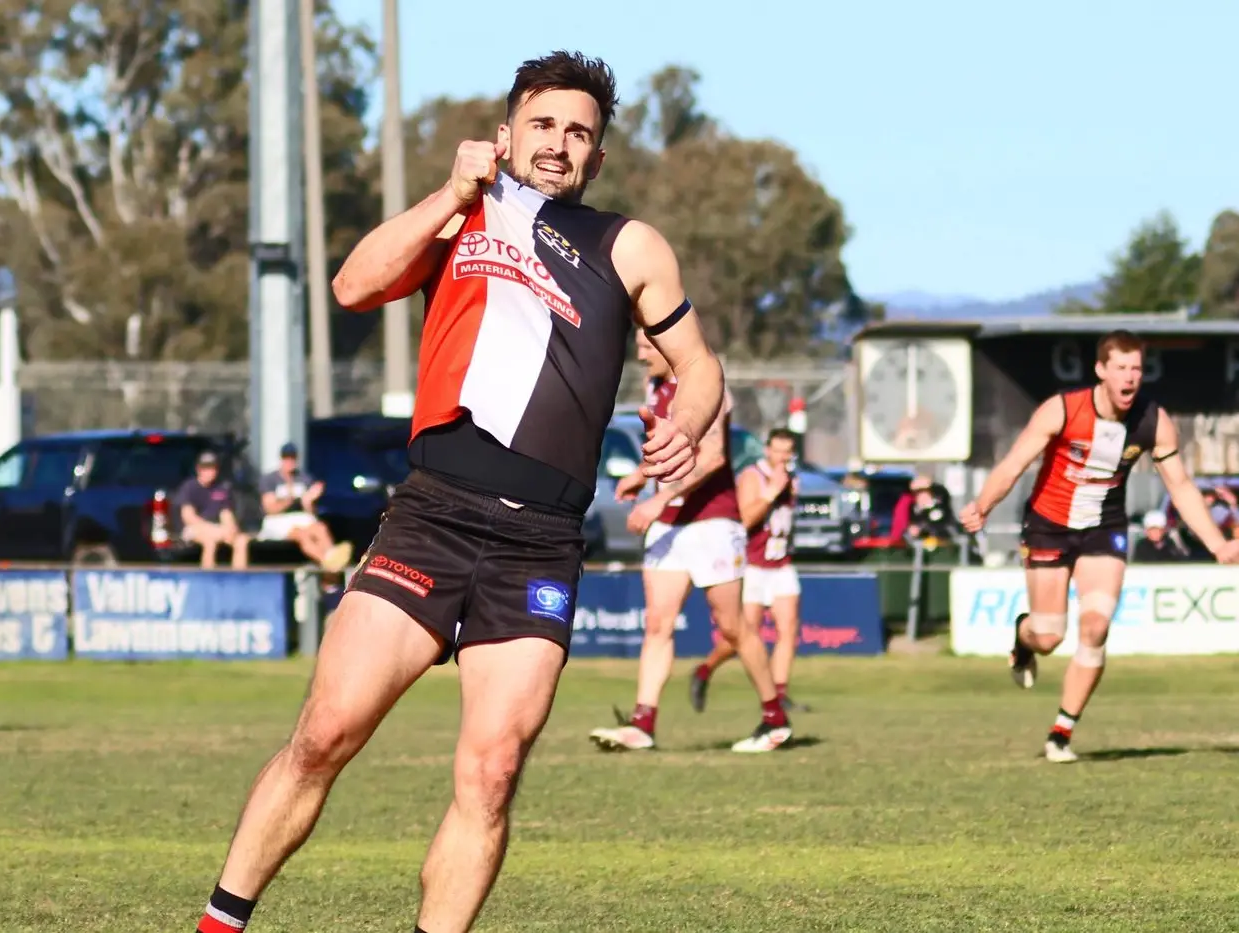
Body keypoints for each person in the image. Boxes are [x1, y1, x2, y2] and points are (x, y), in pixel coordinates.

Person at [193, 51, 724, 933]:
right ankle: (219, 924)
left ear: (598, 157)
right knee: (326, 733)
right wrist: (448, 193)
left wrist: (687, 424)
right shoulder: (461, 216)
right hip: (432, 514)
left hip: (541, 543)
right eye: (544, 124)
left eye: (580, 133)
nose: (559, 144)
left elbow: (701, 370)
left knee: (491, 771)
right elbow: (353, 285)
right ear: (508, 130)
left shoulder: (628, 244)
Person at [959, 330, 1239, 763]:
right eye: (1121, 368)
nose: (1130, 378)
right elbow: (1015, 463)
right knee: (1049, 636)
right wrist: (982, 506)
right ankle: (1023, 639)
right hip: (1049, 526)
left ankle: (1060, 734)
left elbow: (1180, 486)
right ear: (1101, 370)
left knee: (1095, 628)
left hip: (1103, 530)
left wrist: (1219, 545)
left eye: (1137, 369)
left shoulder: (1153, 421)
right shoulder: (1063, 409)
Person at [587, 332, 791, 754]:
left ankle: (774, 718)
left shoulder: (706, 383)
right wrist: (641, 476)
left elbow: (713, 455)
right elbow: (669, 453)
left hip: (712, 523)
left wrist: (658, 496)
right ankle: (643, 722)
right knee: (658, 624)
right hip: (670, 526)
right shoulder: (656, 388)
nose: (641, 355)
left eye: (647, 346)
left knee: (734, 627)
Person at [688, 427, 810, 715]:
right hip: (753, 566)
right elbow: (743, 519)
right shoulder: (753, 477)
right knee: (743, 635)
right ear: (767, 450)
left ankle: (780, 694)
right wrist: (770, 495)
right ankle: (705, 670)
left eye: (787, 452)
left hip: (781, 564)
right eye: (777, 450)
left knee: (788, 629)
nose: (782, 457)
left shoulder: (792, 479)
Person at [257, 442, 353, 573]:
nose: (289, 461)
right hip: (277, 520)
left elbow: (312, 512)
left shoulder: (304, 479)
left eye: (292, 458)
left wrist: (309, 501)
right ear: (281, 459)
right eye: (286, 458)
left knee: (320, 528)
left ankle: (331, 558)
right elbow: (270, 509)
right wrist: (291, 500)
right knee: (302, 535)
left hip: (301, 517)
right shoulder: (270, 479)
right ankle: (328, 563)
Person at [177, 451, 249, 570]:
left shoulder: (222, 487)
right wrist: (213, 529)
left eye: (212, 468)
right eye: (205, 468)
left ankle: (239, 580)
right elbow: (188, 517)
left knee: (241, 541)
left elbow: (226, 513)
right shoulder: (189, 487)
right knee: (210, 542)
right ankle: (208, 579)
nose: (209, 472)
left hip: (219, 529)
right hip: (194, 529)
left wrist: (231, 528)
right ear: (198, 469)